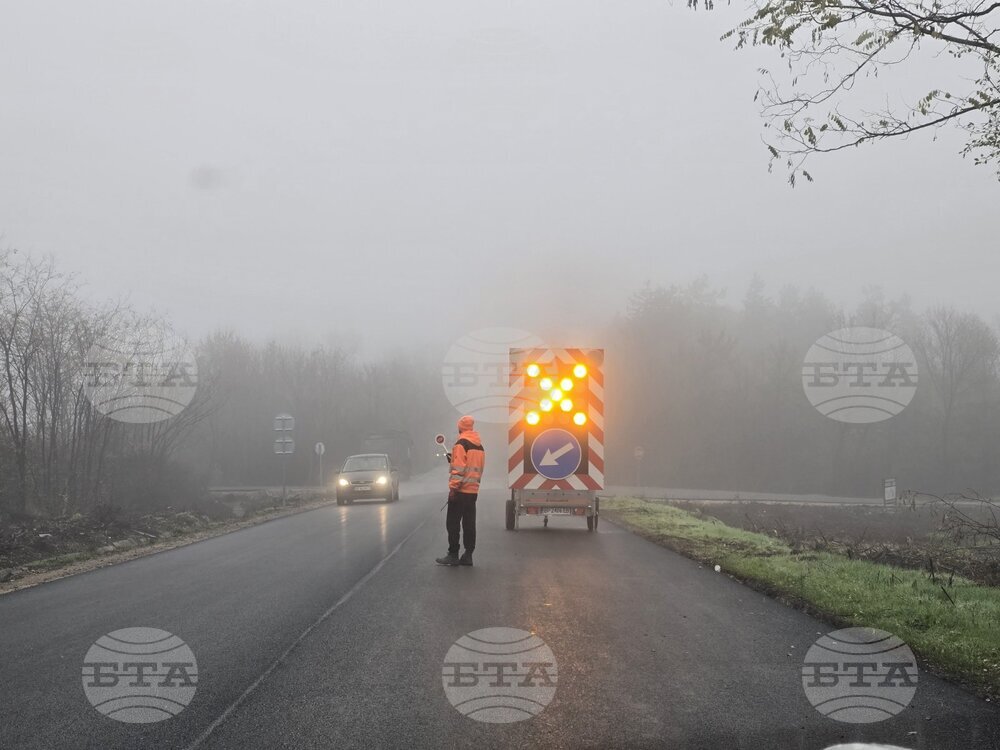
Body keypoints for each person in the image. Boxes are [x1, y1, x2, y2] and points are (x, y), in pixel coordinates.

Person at [436, 415, 485, 567]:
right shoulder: (479, 446)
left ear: (460, 428)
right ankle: (468, 555)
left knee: (453, 523)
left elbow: (458, 470)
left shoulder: (460, 444)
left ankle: (453, 554)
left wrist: (453, 489)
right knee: (469, 524)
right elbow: (475, 467)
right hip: (473, 491)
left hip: (460, 491)